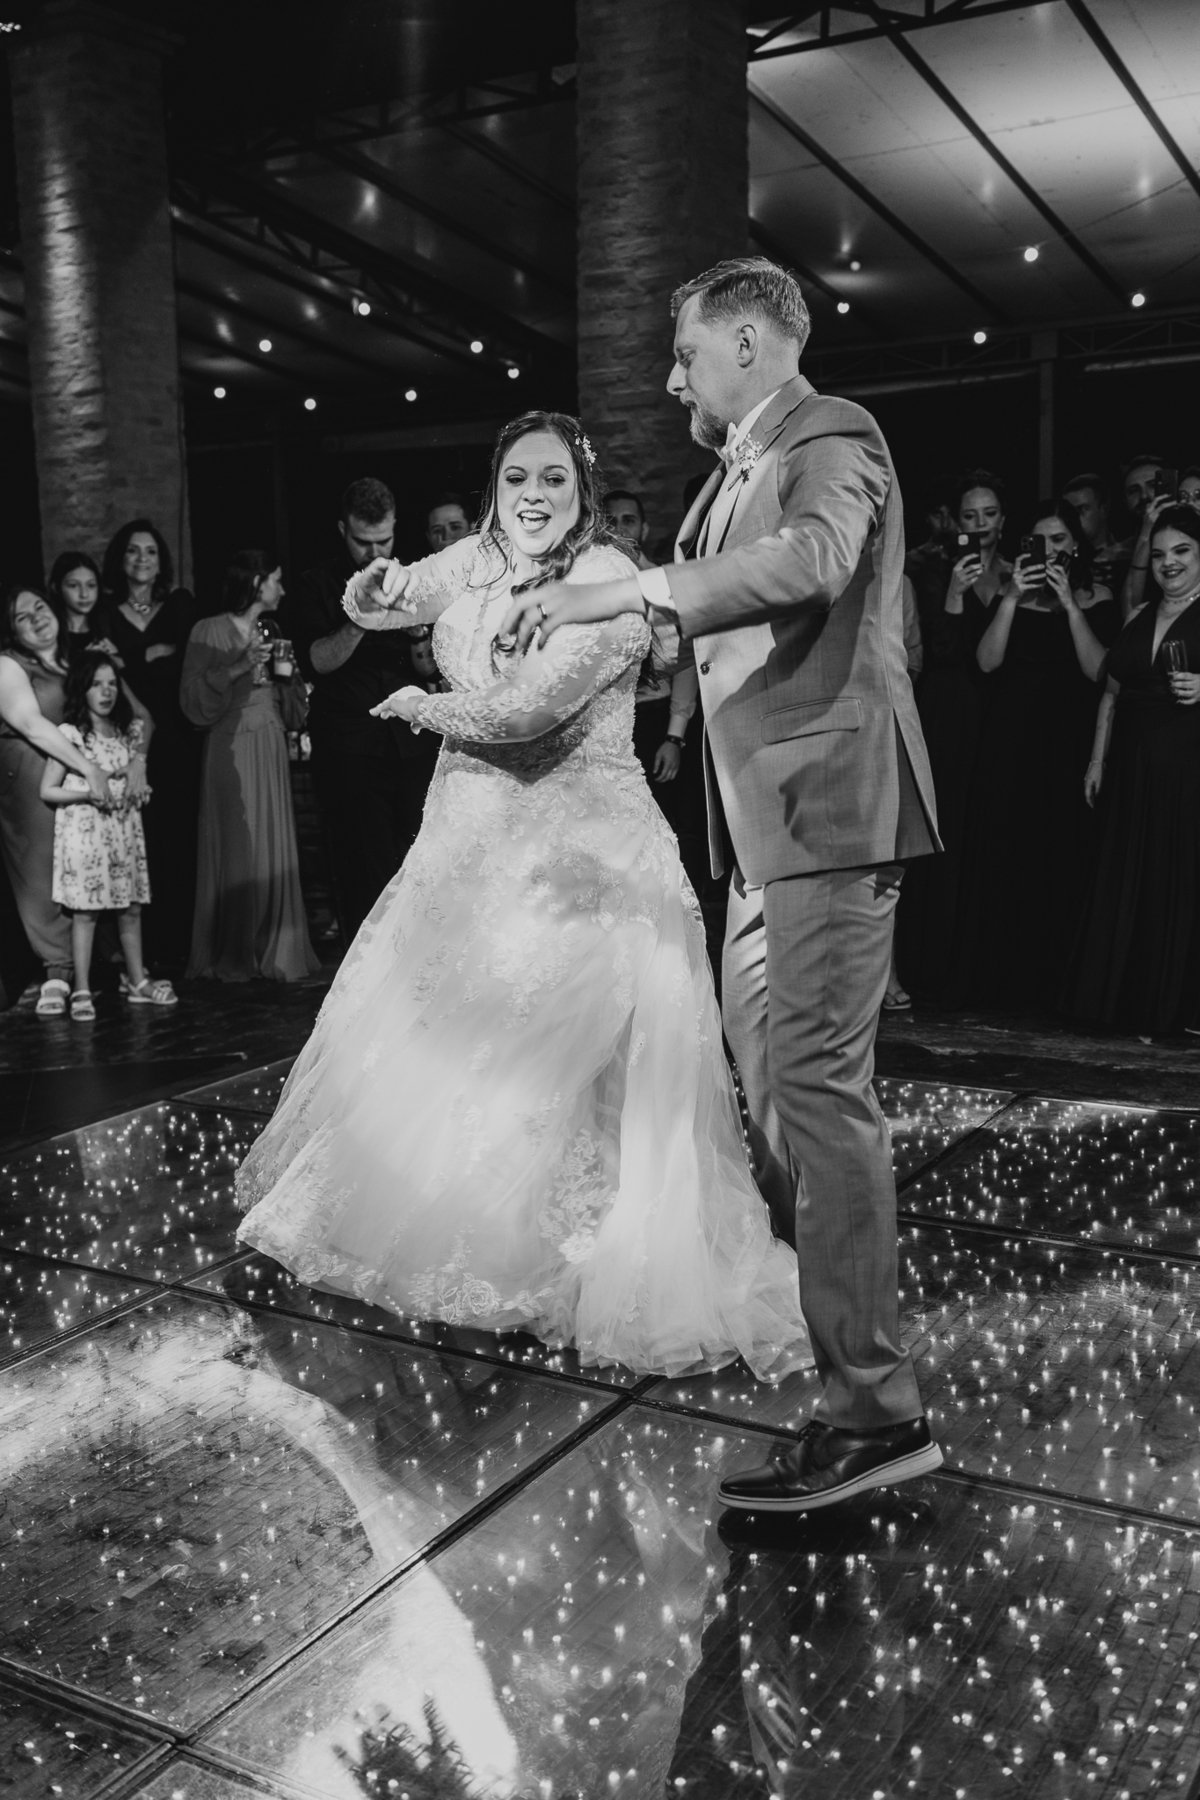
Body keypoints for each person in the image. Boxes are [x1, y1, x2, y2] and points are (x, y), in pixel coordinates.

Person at [236, 409, 810, 1383]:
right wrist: (370, 592)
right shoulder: (477, 558)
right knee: (453, 1037)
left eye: (553, 480)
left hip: (580, 854)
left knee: (557, 1049)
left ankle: (567, 1250)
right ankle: (456, 1231)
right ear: (495, 486)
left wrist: (421, 705)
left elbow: (525, 711)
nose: (533, 496)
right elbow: (393, 600)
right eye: (516, 479)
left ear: (581, 491)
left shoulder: (606, 581)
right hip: (465, 840)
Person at [501, 259, 944, 1513]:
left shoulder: (833, 435)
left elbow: (814, 559)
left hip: (826, 807)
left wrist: (631, 585)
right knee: (782, 1099)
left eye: (687, 353)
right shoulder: (721, 480)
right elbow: (700, 631)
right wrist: (600, 630)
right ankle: (851, 1363)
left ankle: (876, 1415)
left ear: (749, 342)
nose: (671, 377)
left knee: (821, 1098)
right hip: (758, 827)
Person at [950, 500, 1117, 1010]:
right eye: (1041, 543)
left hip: (1065, 746)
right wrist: (1010, 598)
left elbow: (1098, 671)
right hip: (1010, 744)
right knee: (1008, 855)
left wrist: (1069, 606)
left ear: (1076, 546)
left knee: (1059, 854)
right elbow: (985, 663)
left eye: (1060, 541)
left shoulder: (1096, 597)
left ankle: (1053, 986)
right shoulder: (1011, 592)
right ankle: (1001, 982)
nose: (1052, 552)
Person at [1064, 506, 1200, 1033]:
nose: (1169, 563)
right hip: (1131, 768)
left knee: (1179, 878)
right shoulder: (1138, 613)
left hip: (1187, 769)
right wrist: (1097, 760)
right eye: (1160, 554)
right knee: (1132, 878)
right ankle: (1130, 1001)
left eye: (1182, 550)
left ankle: (1178, 1005)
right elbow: (1111, 693)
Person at [285, 477, 438, 945]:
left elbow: (428, 668)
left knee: (423, 857)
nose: (374, 552)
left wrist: (416, 629)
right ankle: (367, 969)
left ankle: (420, 960)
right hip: (348, 743)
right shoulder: (315, 583)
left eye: (383, 540)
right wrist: (360, 618)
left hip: (412, 740)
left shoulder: (413, 576)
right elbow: (316, 661)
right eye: (362, 541)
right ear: (342, 530)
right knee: (361, 866)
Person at [895, 470, 1008, 1002]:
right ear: (954, 523)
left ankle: (986, 965)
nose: (980, 524)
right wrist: (958, 594)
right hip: (951, 711)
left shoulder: (1016, 573)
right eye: (970, 515)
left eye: (989, 514)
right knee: (949, 831)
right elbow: (941, 651)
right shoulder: (933, 572)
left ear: (1003, 520)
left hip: (1000, 714)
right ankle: (934, 964)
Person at [181, 552, 319, 984]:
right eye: (276, 580)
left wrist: (288, 674)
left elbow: (293, 703)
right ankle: (235, 951)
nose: (282, 589)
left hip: (270, 738)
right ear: (256, 582)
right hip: (231, 742)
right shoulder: (208, 630)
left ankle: (273, 947)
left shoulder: (273, 631)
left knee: (271, 840)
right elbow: (191, 698)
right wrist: (240, 665)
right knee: (239, 843)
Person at [0, 585, 114, 1015]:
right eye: (22, 617)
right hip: (30, 772)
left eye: (40, 608)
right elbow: (30, 723)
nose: (36, 618)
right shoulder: (8, 665)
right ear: (12, 631)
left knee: (81, 863)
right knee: (41, 871)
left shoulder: (75, 660)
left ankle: (87, 965)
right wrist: (89, 767)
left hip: (78, 771)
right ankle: (57, 969)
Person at [39, 650, 170, 1018]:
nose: (106, 691)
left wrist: (137, 790)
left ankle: (137, 980)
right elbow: (47, 790)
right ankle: (81, 987)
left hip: (123, 836)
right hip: (87, 838)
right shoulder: (70, 736)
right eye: (97, 684)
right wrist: (87, 793)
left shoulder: (127, 735)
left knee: (130, 909)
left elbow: (145, 723)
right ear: (82, 688)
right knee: (86, 914)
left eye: (112, 684)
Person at [103, 518, 200, 975]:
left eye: (151, 551)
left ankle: (181, 944)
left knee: (178, 838)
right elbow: (107, 670)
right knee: (138, 840)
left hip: (177, 737)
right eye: (133, 550)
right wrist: (154, 654)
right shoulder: (106, 612)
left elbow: (190, 660)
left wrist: (133, 660)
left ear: (161, 562)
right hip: (132, 739)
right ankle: (147, 948)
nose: (142, 559)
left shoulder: (178, 604)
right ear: (120, 560)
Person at [604, 487, 701, 840]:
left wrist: (674, 736)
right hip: (607, 723)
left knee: (668, 826)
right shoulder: (586, 586)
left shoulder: (662, 582)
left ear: (643, 528)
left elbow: (686, 661)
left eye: (628, 520)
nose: (619, 528)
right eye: (610, 520)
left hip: (655, 718)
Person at [1119, 453, 1170, 620]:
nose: (1144, 496)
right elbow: (1129, 613)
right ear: (1125, 501)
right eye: (1134, 491)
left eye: (1153, 486)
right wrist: (1146, 532)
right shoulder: (1119, 557)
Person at [48, 552, 121, 668]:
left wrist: (113, 660)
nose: (84, 594)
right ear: (56, 588)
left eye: (91, 585)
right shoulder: (49, 631)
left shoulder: (109, 621)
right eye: (73, 585)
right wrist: (87, 660)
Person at [1061, 470, 1128, 592]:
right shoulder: (1061, 560)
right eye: (1068, 513)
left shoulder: (1125, 557)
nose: (1073, 519)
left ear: (1104, 510)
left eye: (1081, 510)